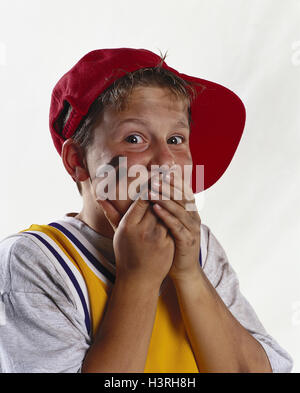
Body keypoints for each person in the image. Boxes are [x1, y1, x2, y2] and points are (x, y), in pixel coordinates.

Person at [0, 48, 293, 373]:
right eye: (135, 138)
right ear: (77, 162)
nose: (166, 161)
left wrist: (189, 274)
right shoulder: (35, 261)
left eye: (177, 139)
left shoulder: (199, 248)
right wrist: (138, 279)